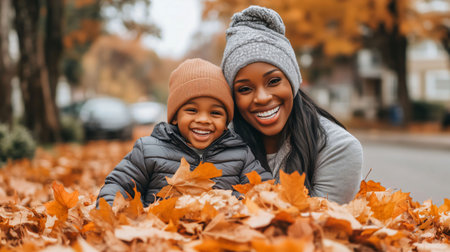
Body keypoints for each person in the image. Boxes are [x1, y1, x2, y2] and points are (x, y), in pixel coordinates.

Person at [221, 6, 363, 204]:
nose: (262, 98)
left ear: (293, 81)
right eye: (244, 89)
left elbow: (320, 228)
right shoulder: (219, 146)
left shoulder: (338, 148)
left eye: (273, 81)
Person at [98, 58, 272, 207]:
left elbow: (262, 190)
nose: (204, 119)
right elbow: (118, 184)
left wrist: (235, 205)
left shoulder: (240, 154)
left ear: (226, 123)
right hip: (161, 236)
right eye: (192, 110)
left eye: (215, 113)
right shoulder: (149, 150)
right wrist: (112, 212)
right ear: (175, 117)